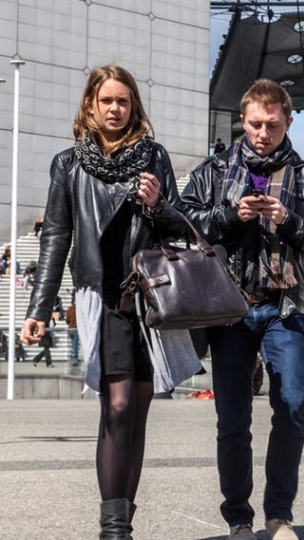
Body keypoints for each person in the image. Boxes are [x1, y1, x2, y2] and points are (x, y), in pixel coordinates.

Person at [19, 65, 201, 539]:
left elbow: (178, 230)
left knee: (137, 410)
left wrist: (160, 205)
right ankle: (113, 530)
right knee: (117, 406)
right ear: (90, 106)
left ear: (133, 106)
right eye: (107, 101)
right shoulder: (68, 164)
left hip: (150, 299)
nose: (115, 109)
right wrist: (39, 309)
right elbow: (56, 236)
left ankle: (123, 522)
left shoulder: (154, 157)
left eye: (123, 101)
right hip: (104, 295)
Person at [181, 78, 304, 540]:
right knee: (233, 418)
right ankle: (238, 519)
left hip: (282, 307)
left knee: (292, 404)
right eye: (254, 124)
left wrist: (288, 220)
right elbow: (184, 222)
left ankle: (279, 514)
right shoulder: (213, 170)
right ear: (242, 120)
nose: (262, 133)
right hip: (228, 309)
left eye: (271, 124)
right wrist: (233, 215)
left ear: (288, 121)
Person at [66, 301, 80, 368]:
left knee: (73, 344)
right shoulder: (79, 309)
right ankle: (74, 359)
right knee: (75, 344)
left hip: (70, 328)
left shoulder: (70, 308)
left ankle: (73, 358)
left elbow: (67, 320)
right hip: (75, 328)